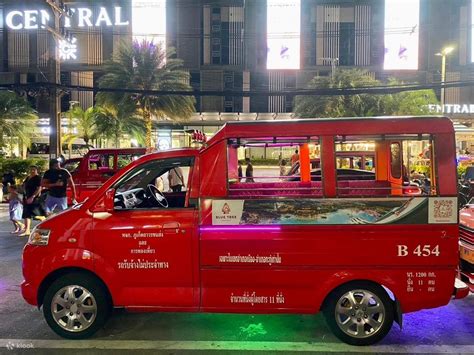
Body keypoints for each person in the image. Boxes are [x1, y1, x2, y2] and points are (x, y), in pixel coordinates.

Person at [20, 166, 45, 237]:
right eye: (31, 170)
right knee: (26, 214)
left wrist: (33, 196)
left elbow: (39, 188)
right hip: (26, 197)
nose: (32, 171)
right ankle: (27, 230)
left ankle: (45, 223)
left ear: (37, 170)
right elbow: (24, 186)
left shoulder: (38, 178)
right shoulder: (28, 178)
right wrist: (23, 196)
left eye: (34, 170)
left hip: (34, 198)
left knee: (36, 214)